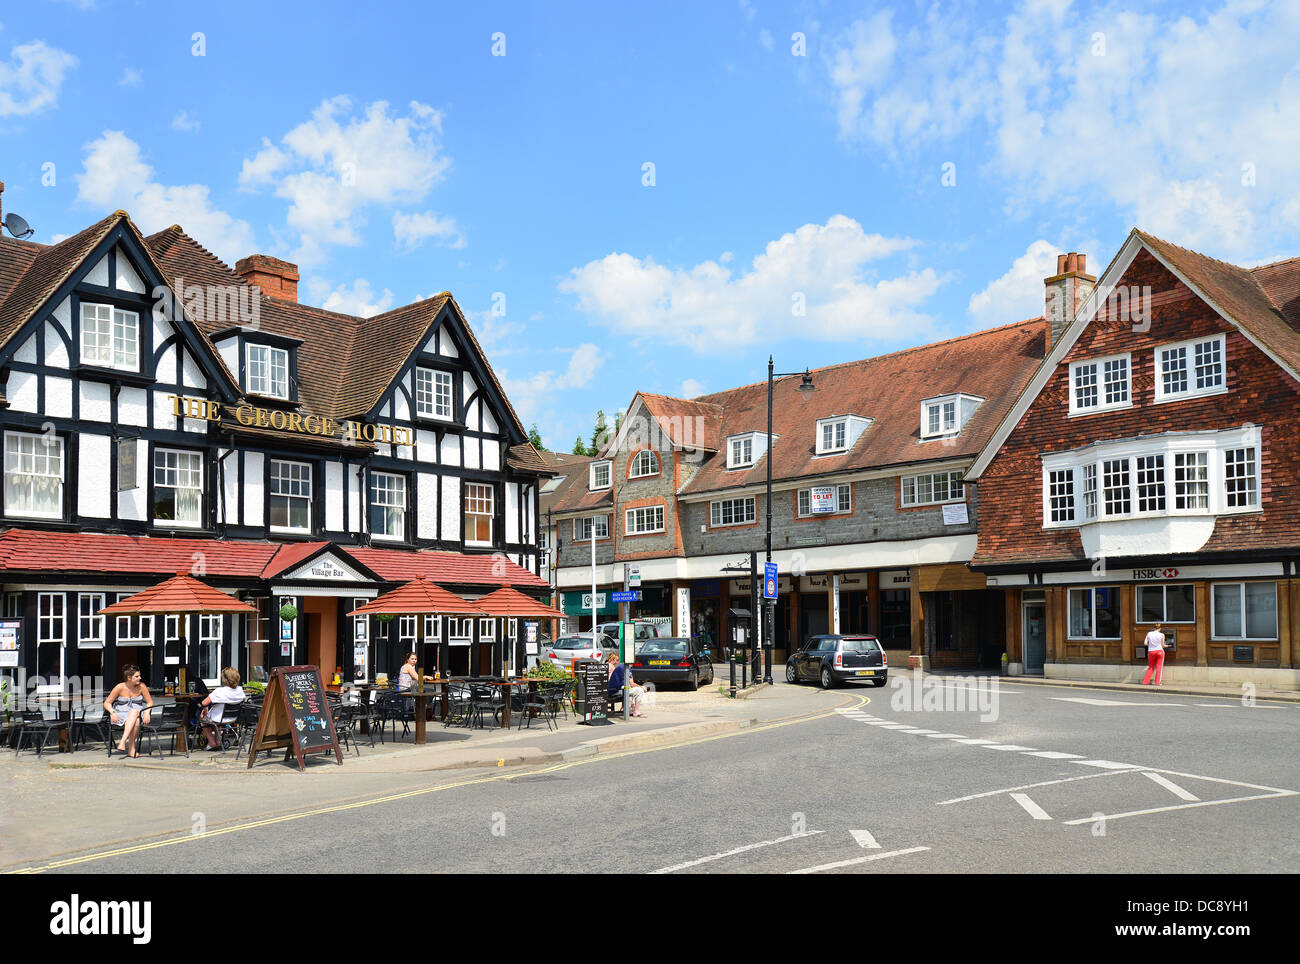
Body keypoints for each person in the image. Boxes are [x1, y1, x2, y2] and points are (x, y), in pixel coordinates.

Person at [104, 665, 153, 758]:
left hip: (138, 713)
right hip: (121, 714)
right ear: (129, 678)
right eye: (137, 676)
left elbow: (150, 702)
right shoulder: (119, 687)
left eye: (139, 676)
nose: (140, 678)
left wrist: (147, 711)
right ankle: (131, 749)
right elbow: (107, 702)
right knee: (136, 720)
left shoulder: (142, 686)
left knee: (135, 713)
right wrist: (112, 712)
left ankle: (123, 741)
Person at [198, 667, 246, 750]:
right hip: (233, 718)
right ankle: (218, 741)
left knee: (203, 720)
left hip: (218, 718)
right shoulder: (240, 690)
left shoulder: (219, 691)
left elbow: (204, 703)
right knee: (218, 721)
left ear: (225, 679)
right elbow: (243, 700)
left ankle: (212, 742)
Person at [606, 651, 647, 717]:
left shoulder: (625, 667)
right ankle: (636, 712)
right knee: (639, 691)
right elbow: (632, 683)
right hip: (615, 690)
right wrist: (641, 687)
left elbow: (631, 683)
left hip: (617, 688)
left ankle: (629, 710)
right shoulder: (624, 668)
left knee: (631, 690)